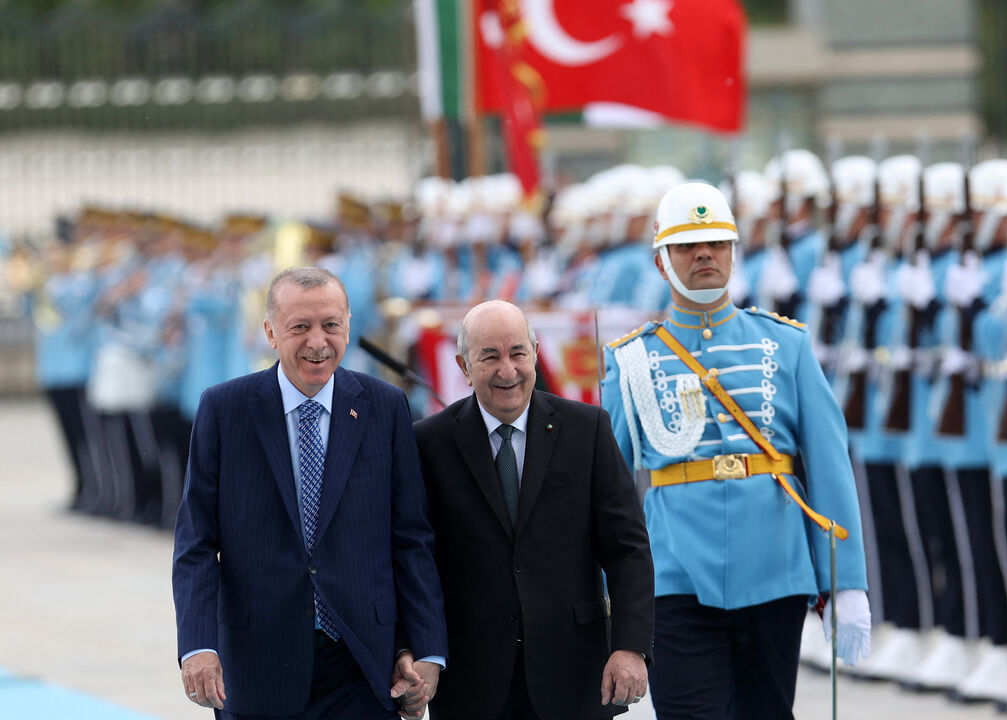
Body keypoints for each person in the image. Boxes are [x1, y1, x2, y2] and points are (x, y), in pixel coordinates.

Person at [601, 181, 871, 719]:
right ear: (661, 262)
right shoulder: (630, 359)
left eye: (717, 243)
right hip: (675, 571)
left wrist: (846, 583)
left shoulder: (786, 345)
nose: (705, 254)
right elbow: (604, 490)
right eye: (687, 245)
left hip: (776, 566)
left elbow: (829, 466)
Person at [172, 266, 447, 719]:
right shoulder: (225, 411)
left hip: (362, 662)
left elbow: (410, 538)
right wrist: (198, 646)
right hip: (256, 663)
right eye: (300, 327)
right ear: (270, 332)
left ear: (349, 326)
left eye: (330, 325)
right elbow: (196, 544)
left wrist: (425, 647)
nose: (318, 342)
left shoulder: (385, 406)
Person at [410, 299, 654, 720]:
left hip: (576, 675)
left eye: (518, 353)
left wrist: (630, 647)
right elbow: (417, 559)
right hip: (472, 682)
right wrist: (420, 649)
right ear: (463, 366)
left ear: (536, 354)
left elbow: (627, 546)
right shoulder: (428, 442)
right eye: (490, 357)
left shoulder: (587, 429)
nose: (508, 370)